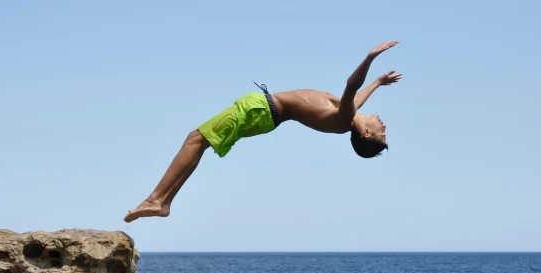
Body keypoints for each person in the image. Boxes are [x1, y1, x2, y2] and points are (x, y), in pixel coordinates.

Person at [124, 40, 401, 222]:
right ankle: (165, 202)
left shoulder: (344, 119)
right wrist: (377, 82)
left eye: (382, 132)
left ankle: (156, 198)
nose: (384, 125)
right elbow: (357, 98)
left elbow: (351, 85)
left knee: (195, 139)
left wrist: (370, 58)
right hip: (264, 113)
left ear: (366, 135)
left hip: (260, 110)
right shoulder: (347, 117)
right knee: (200, 142)